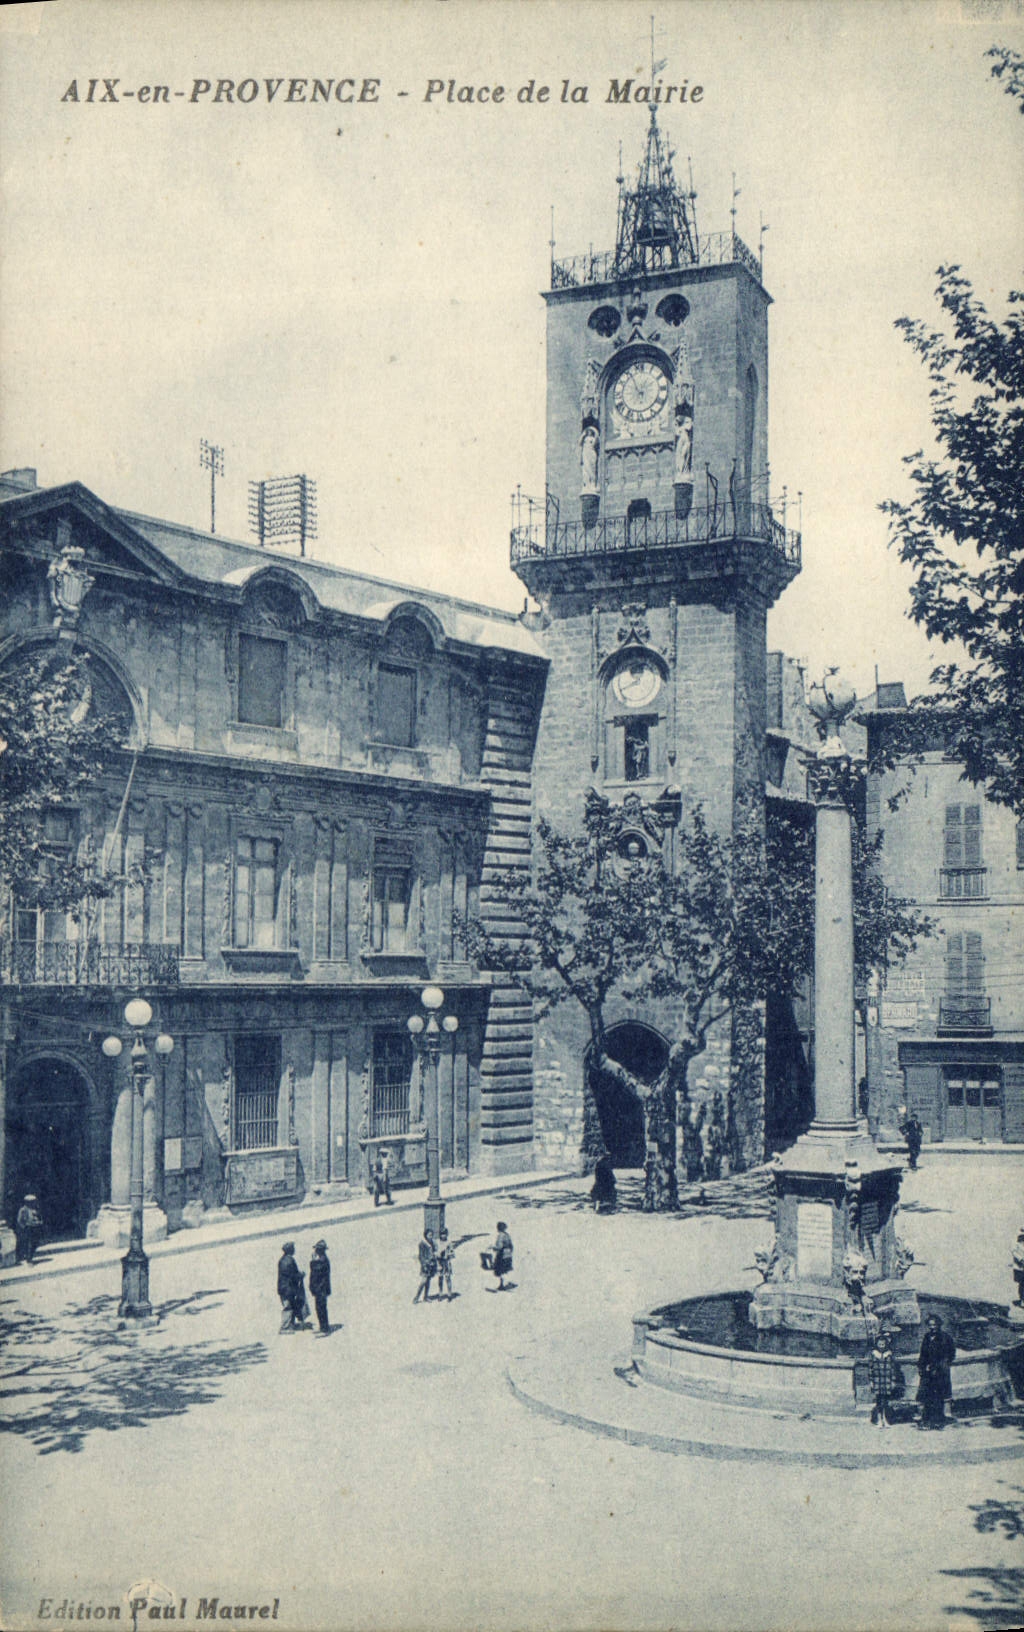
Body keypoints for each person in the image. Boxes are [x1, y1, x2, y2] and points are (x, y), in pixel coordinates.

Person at [916, 1314, 956, 1429]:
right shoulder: (927, 1337)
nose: (932, 1327)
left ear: (939, 1325)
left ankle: (939, 1421)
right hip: (928, 1372)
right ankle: (927, 1420)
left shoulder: (945, 1337)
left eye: (934, 1325)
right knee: (927, 1395)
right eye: (930, 1325)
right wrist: (921, 1366)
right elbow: (923, 1353)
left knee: (939, 1395)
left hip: (940, 1372)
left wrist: (940, 1365)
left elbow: (950, 1354)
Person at [868, 1328, 902, 1428]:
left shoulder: (889, 1355)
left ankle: (885, 1419)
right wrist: (871, 1381)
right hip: (878, 1381)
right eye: (880, 1344)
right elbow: (870, 1369)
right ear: (877, 1344)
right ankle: (879, 1419)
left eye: (883, 1344)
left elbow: (892, 1369)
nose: (882, 1346)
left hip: (886, 1381)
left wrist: (893, 1380)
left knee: (886, 1401)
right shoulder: (874, 1355)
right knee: (879, 1401)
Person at [277, 1241, 306, 1333]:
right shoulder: (290, 1261)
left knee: (291, 1305)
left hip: (284, 1287)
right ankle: (285, 1328)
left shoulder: (282, 1260)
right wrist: (301, 1275)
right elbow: (293, 1274)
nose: (294, 1250)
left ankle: (290, 1324)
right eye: (293, 1248)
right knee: (288, 1306)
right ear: (290, 1250)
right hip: (288, 1288)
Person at [309, 1239, 332, 1335]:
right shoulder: (322, 1259)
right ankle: (322, 1327)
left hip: (321, 1289)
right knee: (319, 1308)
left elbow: (316, 1271)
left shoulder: (322, 1260)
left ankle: (325, 1328)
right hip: (320, 1288)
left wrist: (313, 1261)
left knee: (321, 1308)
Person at [15, 1194, 42, 1264]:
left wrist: (40, 1222)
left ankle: (30, 1256)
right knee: (28, 1243)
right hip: (28, 1228)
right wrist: (23, 1227)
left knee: (35, 1243)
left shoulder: (36, 1209)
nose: (33, 1203)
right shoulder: (23, 1210)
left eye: (34, 1201)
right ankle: (28, 1258)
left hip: (35, 1228)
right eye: (31, 1201)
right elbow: (19, 1220)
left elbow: (39, 1217)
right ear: (27, 1202)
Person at [488, 1221, 514, 1291]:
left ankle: (502, 1285)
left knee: (500, 1270)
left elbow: (499, 1246)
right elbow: (511, 1246)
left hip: (502, 1255)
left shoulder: (500, 1235)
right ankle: (505, 1284)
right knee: (506, 1269)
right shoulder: (507, 1235)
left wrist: (492, 1247)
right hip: (508, 1254)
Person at [414, 1227, 436, 1304]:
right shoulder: (422, 1244)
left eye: (432, 1235)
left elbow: (434, 1252)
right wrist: (425, 1264)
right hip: (425, 1265)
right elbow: (421, 1256)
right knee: (423, 1281)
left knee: (428, 1281)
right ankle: (416, 1298)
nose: (431, 1236)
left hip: (432, 1265)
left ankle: (425, 1296)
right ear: (425, 1235)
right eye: (429, 1235)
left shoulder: (432, 1243)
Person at [436, 1228, 455, 1300]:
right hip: (439, 1262)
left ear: (447, 1234)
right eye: (441, 1234)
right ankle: (440, 1294)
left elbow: (453, 1253)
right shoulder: (437, 1242)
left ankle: (449, 1294)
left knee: (448, 1278)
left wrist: (448, 1254)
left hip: (446, 1262)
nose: (443, 1236)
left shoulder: (449, 1242)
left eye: (444, 1234)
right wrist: (437, 1255)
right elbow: (435, 1251)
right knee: (440, 1278)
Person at [1011, 1227, 1024, 1307]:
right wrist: (1021, 1260)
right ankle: (1022, 1300)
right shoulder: (1016, 1243)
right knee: (1022, 1284)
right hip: (1020, 1267)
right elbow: (1014, 1251)